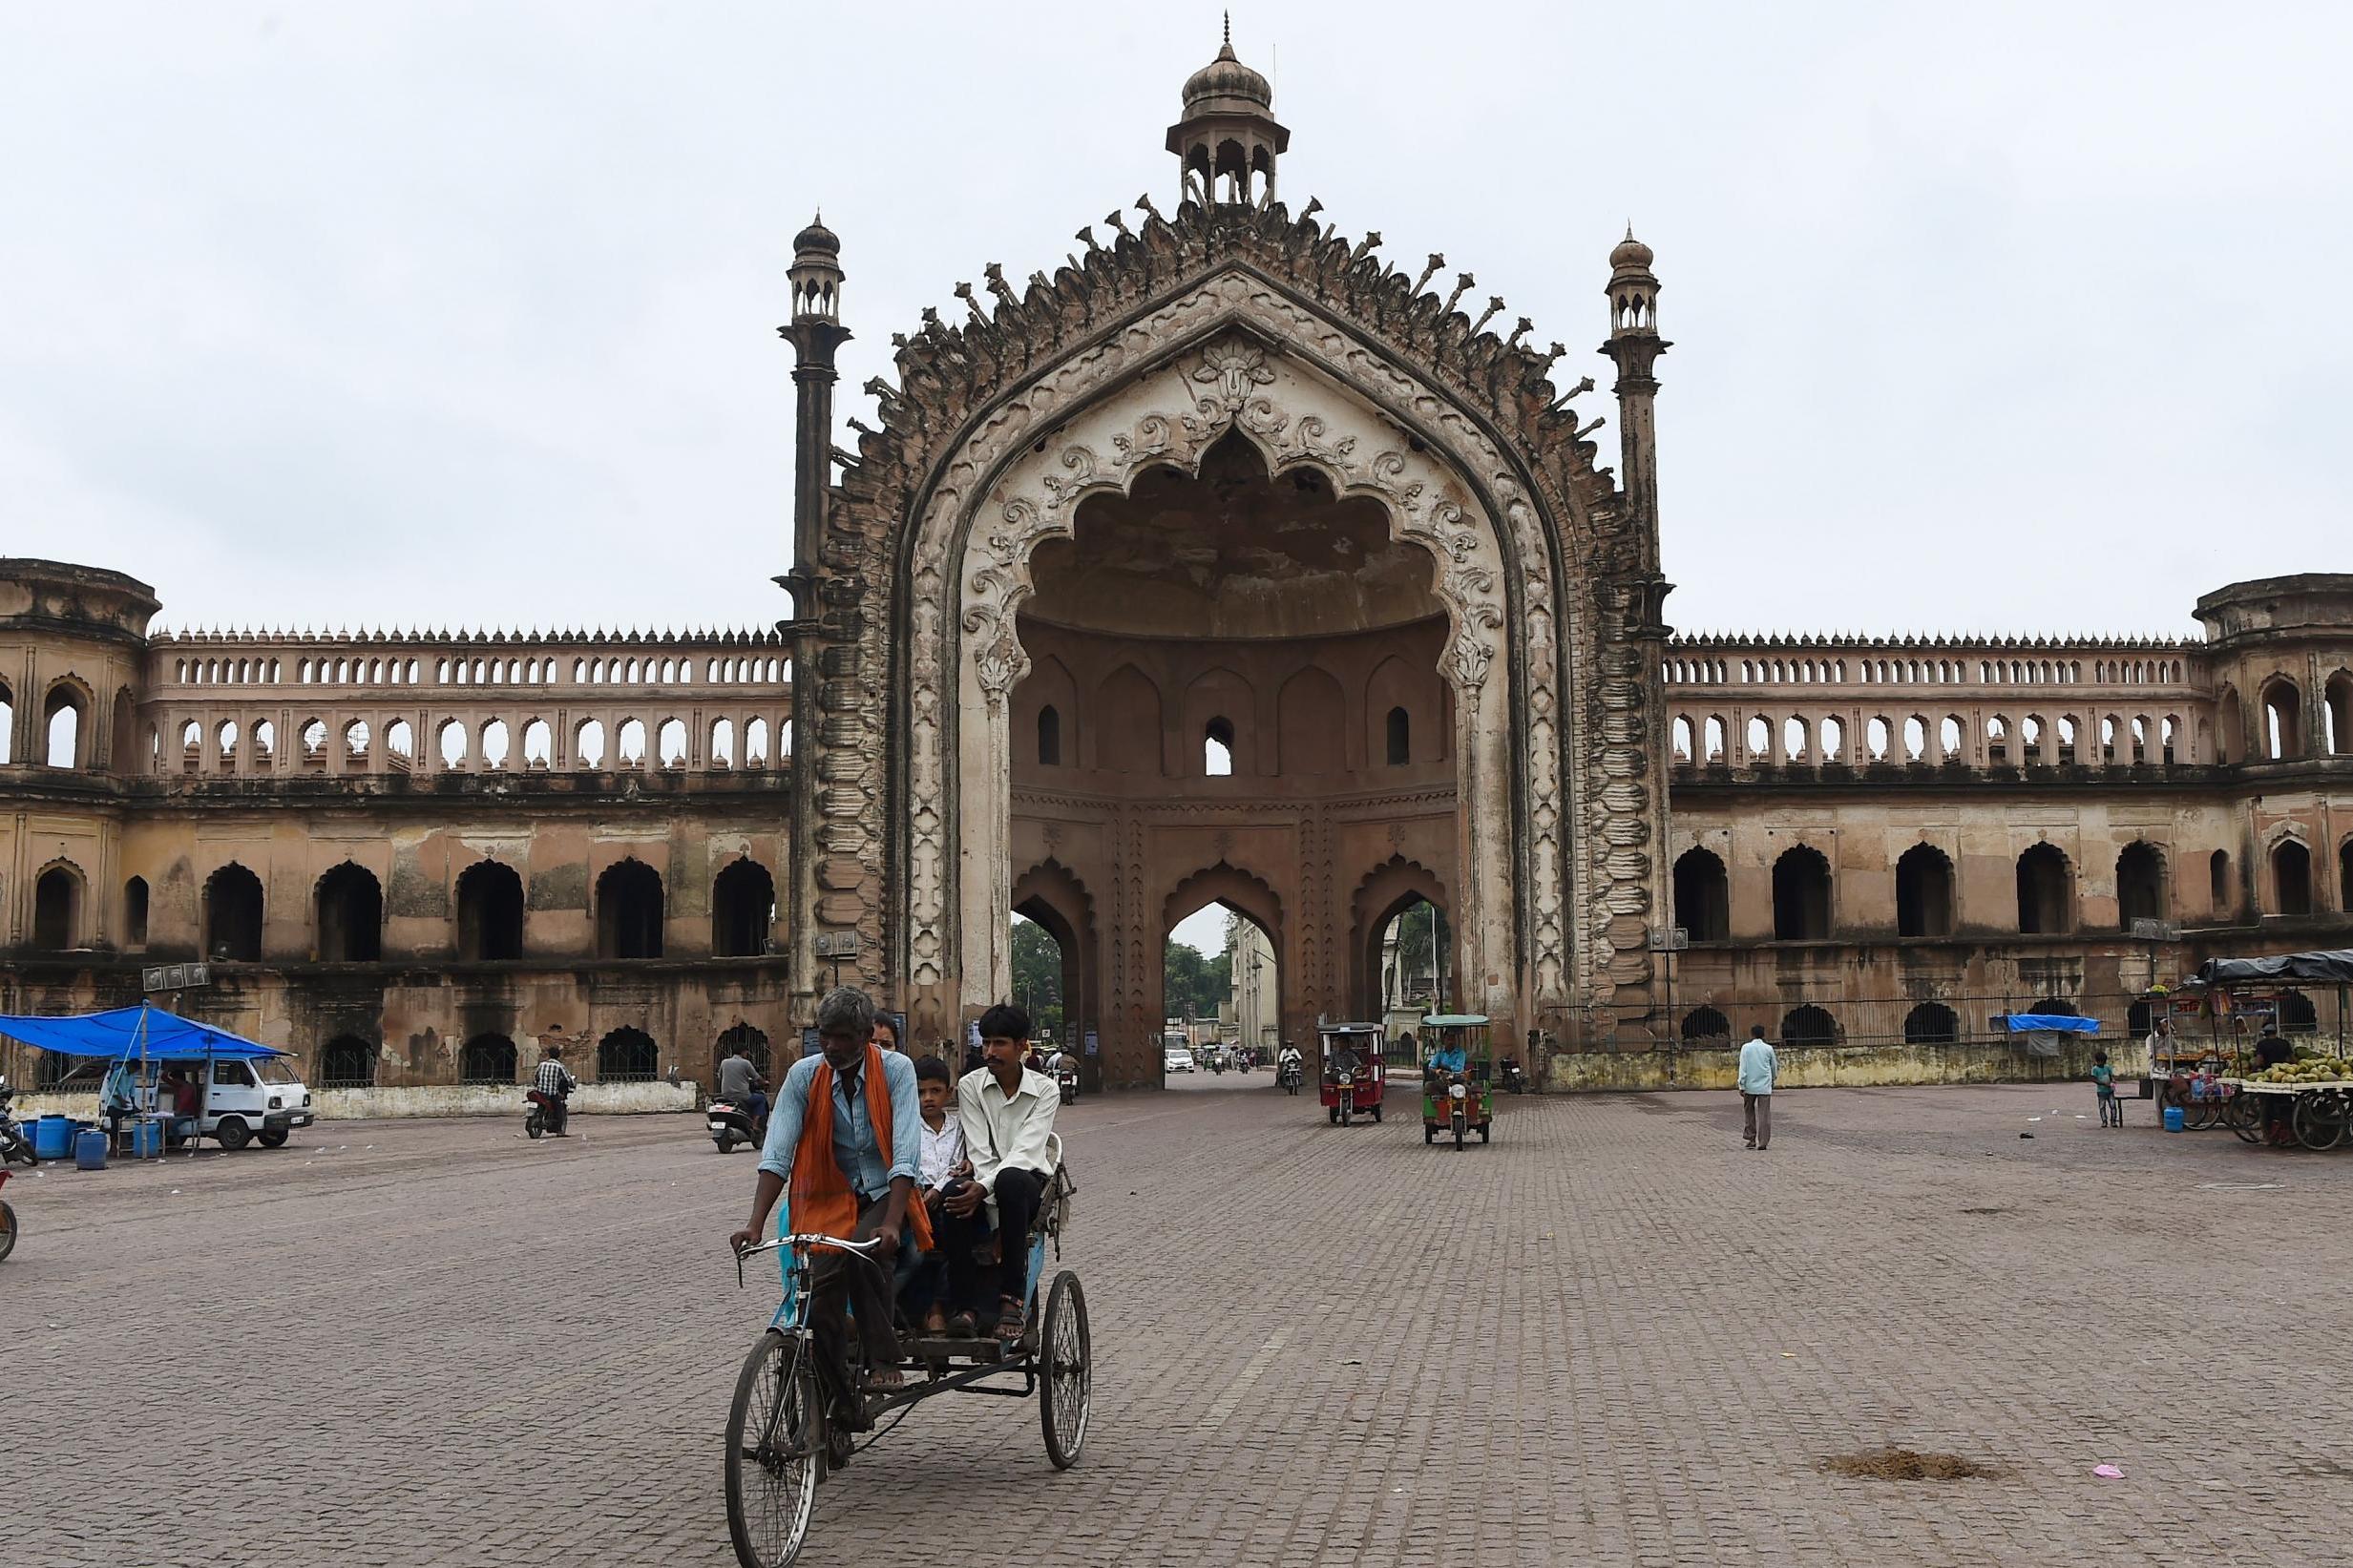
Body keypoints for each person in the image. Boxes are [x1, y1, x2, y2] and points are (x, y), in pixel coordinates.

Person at [729, 986, 929, 1430]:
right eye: (825, 1036)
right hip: (826, 1196)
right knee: (819, 1302)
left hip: (882, 1194)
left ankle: (882, 1355)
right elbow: (778, 1152)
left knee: (862, 1249)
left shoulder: (897, 1071)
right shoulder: (804, 1076)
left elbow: (906, 1154)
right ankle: (840, 1408)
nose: (832, 1047)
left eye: (842, 1037)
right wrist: (754, 1224)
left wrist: (894, 1222)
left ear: (864, 1036)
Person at [944, 1003, 1059, 1343]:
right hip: (983, 1175)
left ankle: (1012, 1299)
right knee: (953, 1194)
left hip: (1025, 1183)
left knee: (1009, 1181)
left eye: (1000, 1044)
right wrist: (977, 1186)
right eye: (987, 1043)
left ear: (1022, 1045)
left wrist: (985, 1187)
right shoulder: (971, 1086)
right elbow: (978, 1149)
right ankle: (963, 1306)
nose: (990, 1052)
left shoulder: (1046, 1091)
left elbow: (1026, 1152)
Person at [899, 1055, 975, 1334]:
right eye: (920, 1092)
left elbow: (959, 1164)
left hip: (946, 1196)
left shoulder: (959, 1128)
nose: (927, 1098)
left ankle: (939, 1307)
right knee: (915, 1245)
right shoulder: (906, 1127)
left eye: (935, 1091)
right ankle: (917, 1310)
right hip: (915, 1197)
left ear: (948, 1092)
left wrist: (939, 1191)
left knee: (950, 1232)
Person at [1737, 1025, 1777, 1151]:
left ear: (1752, 1034)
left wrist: (1741, 1084)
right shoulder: (1768, 1048)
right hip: (1764, 1084)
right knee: (1764, 1114)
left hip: (1749, 1085)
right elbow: (1773, 1066)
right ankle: (1763, 1141)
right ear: (1763, 1034)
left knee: (1749, 1111)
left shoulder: (1746, 1048)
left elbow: (1743, 1067)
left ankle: (1751, 1138)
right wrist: (1773, 1079)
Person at [715, 1042, 769, 1134]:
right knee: (761, 1099)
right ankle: (755, 1124)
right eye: (746, 1052)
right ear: (743, 1052)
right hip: (742, 1095)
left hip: (726, 1095)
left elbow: (720, 1076)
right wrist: (765, 1082)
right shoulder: (745, 1063)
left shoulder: (724, 1062)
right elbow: (757, 1077)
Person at [534, 1043, 578, 1137]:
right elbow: (568, 1079)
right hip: (551, 1093)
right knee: (559, 1111)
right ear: (558, 1055)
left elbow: (536, 1076)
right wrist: (572, 1084)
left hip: (540, 1092)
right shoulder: (559, 1066)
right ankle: (559, 1131)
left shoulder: (542, 1064)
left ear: (549, 1055)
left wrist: (537, 1083)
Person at [159, 1066, 202, 1145]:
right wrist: (168, 1068)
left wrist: (172, 1115)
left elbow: (182, 1105)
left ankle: (177, 1144)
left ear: (179, 1079)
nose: (173, 1081)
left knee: (172, 1124)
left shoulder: (187, 1088)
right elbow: (164, 1078)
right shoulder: (178, 1085)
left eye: (174, 1079)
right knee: (162, 1122)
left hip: (188, 1112)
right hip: (180, 1111)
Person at [2091, 1050, 2120, 1127]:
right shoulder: (2095, 1069)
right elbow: (2094, 1079)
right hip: (2101, 1091)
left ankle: (2113, 1121)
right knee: (2102, 1107)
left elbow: (2111, 1076)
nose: (2102, 1064)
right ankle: (2104, 1121)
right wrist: (2104, 1084)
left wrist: (2113, 1081)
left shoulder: (2107, 1067)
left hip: (2110, 1091)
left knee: (2113, 1106)